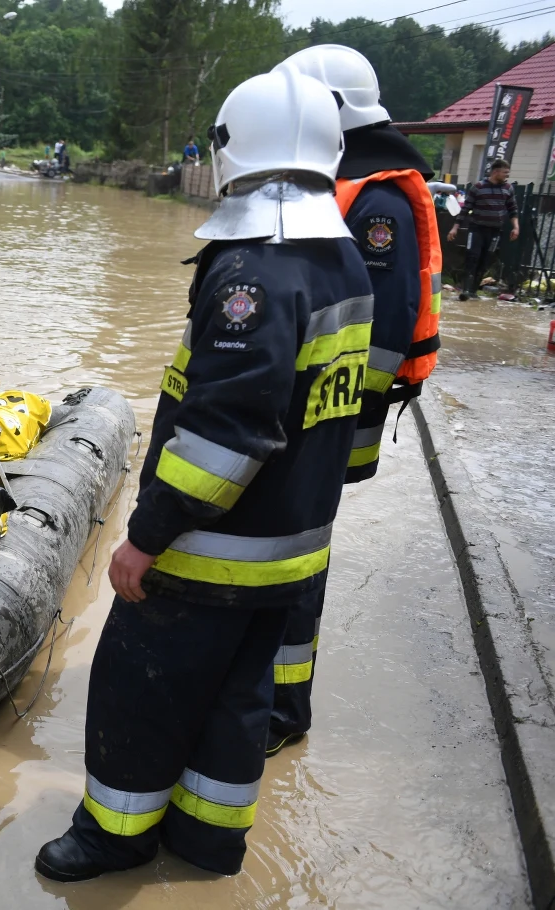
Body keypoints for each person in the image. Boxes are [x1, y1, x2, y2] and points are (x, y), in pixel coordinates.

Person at [35, 65, 373, 882]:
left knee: (139, 687)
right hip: (290, 554)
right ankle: (207, 842)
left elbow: (228, 433)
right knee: (235, 701)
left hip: (213, 552)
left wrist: (145, 538)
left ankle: (115, 838)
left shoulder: (253, 275)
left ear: (231, 150)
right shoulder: (344, 263)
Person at [270, 44, 442, 756]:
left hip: (327, 420)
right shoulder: (336, 181)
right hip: (303, 415)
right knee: (276, 558)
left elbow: (385, 324)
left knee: (296, 561)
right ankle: (264, 697)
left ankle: (282, 714)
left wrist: (325, 409)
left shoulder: (376, 200)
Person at [448, 158, 519, 300]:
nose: (507, 175)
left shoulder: (508, 189)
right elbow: (465, 209)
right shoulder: (479, 187)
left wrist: (516, 227)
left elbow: (513, 209)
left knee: (485, 260)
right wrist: (455, 228)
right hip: (477, 229)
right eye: (505, 172)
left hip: (495, 231)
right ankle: (466, 290)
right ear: (496, 172)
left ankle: (473, 291)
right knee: (472, 257)